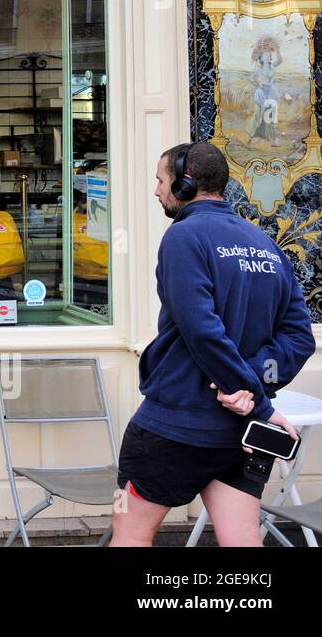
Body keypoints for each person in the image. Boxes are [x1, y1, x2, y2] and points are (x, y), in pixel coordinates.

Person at [111, 142, 316, 547]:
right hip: (240, 435)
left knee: (130, 534)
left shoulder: (183, 237)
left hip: (173, 426)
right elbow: (298, 337)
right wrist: (252, 384)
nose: (156, 191)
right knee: (241, 540)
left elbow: (201, 328)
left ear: (185, 185)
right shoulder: (264, 243)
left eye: (160, 179)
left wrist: (245, 391)